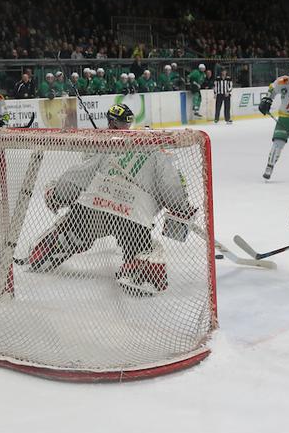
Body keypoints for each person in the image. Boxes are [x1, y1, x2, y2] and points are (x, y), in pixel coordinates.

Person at [22, 104, 196, 297]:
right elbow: (172, 186)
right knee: (142, 246)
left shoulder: (108, 145)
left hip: (93, 208)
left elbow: (79, 175)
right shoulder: (159, 152)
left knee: (72, 229)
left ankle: (51, 246)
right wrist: (182, 209)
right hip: (132, 215)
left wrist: (58, 195)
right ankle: (140, 267)